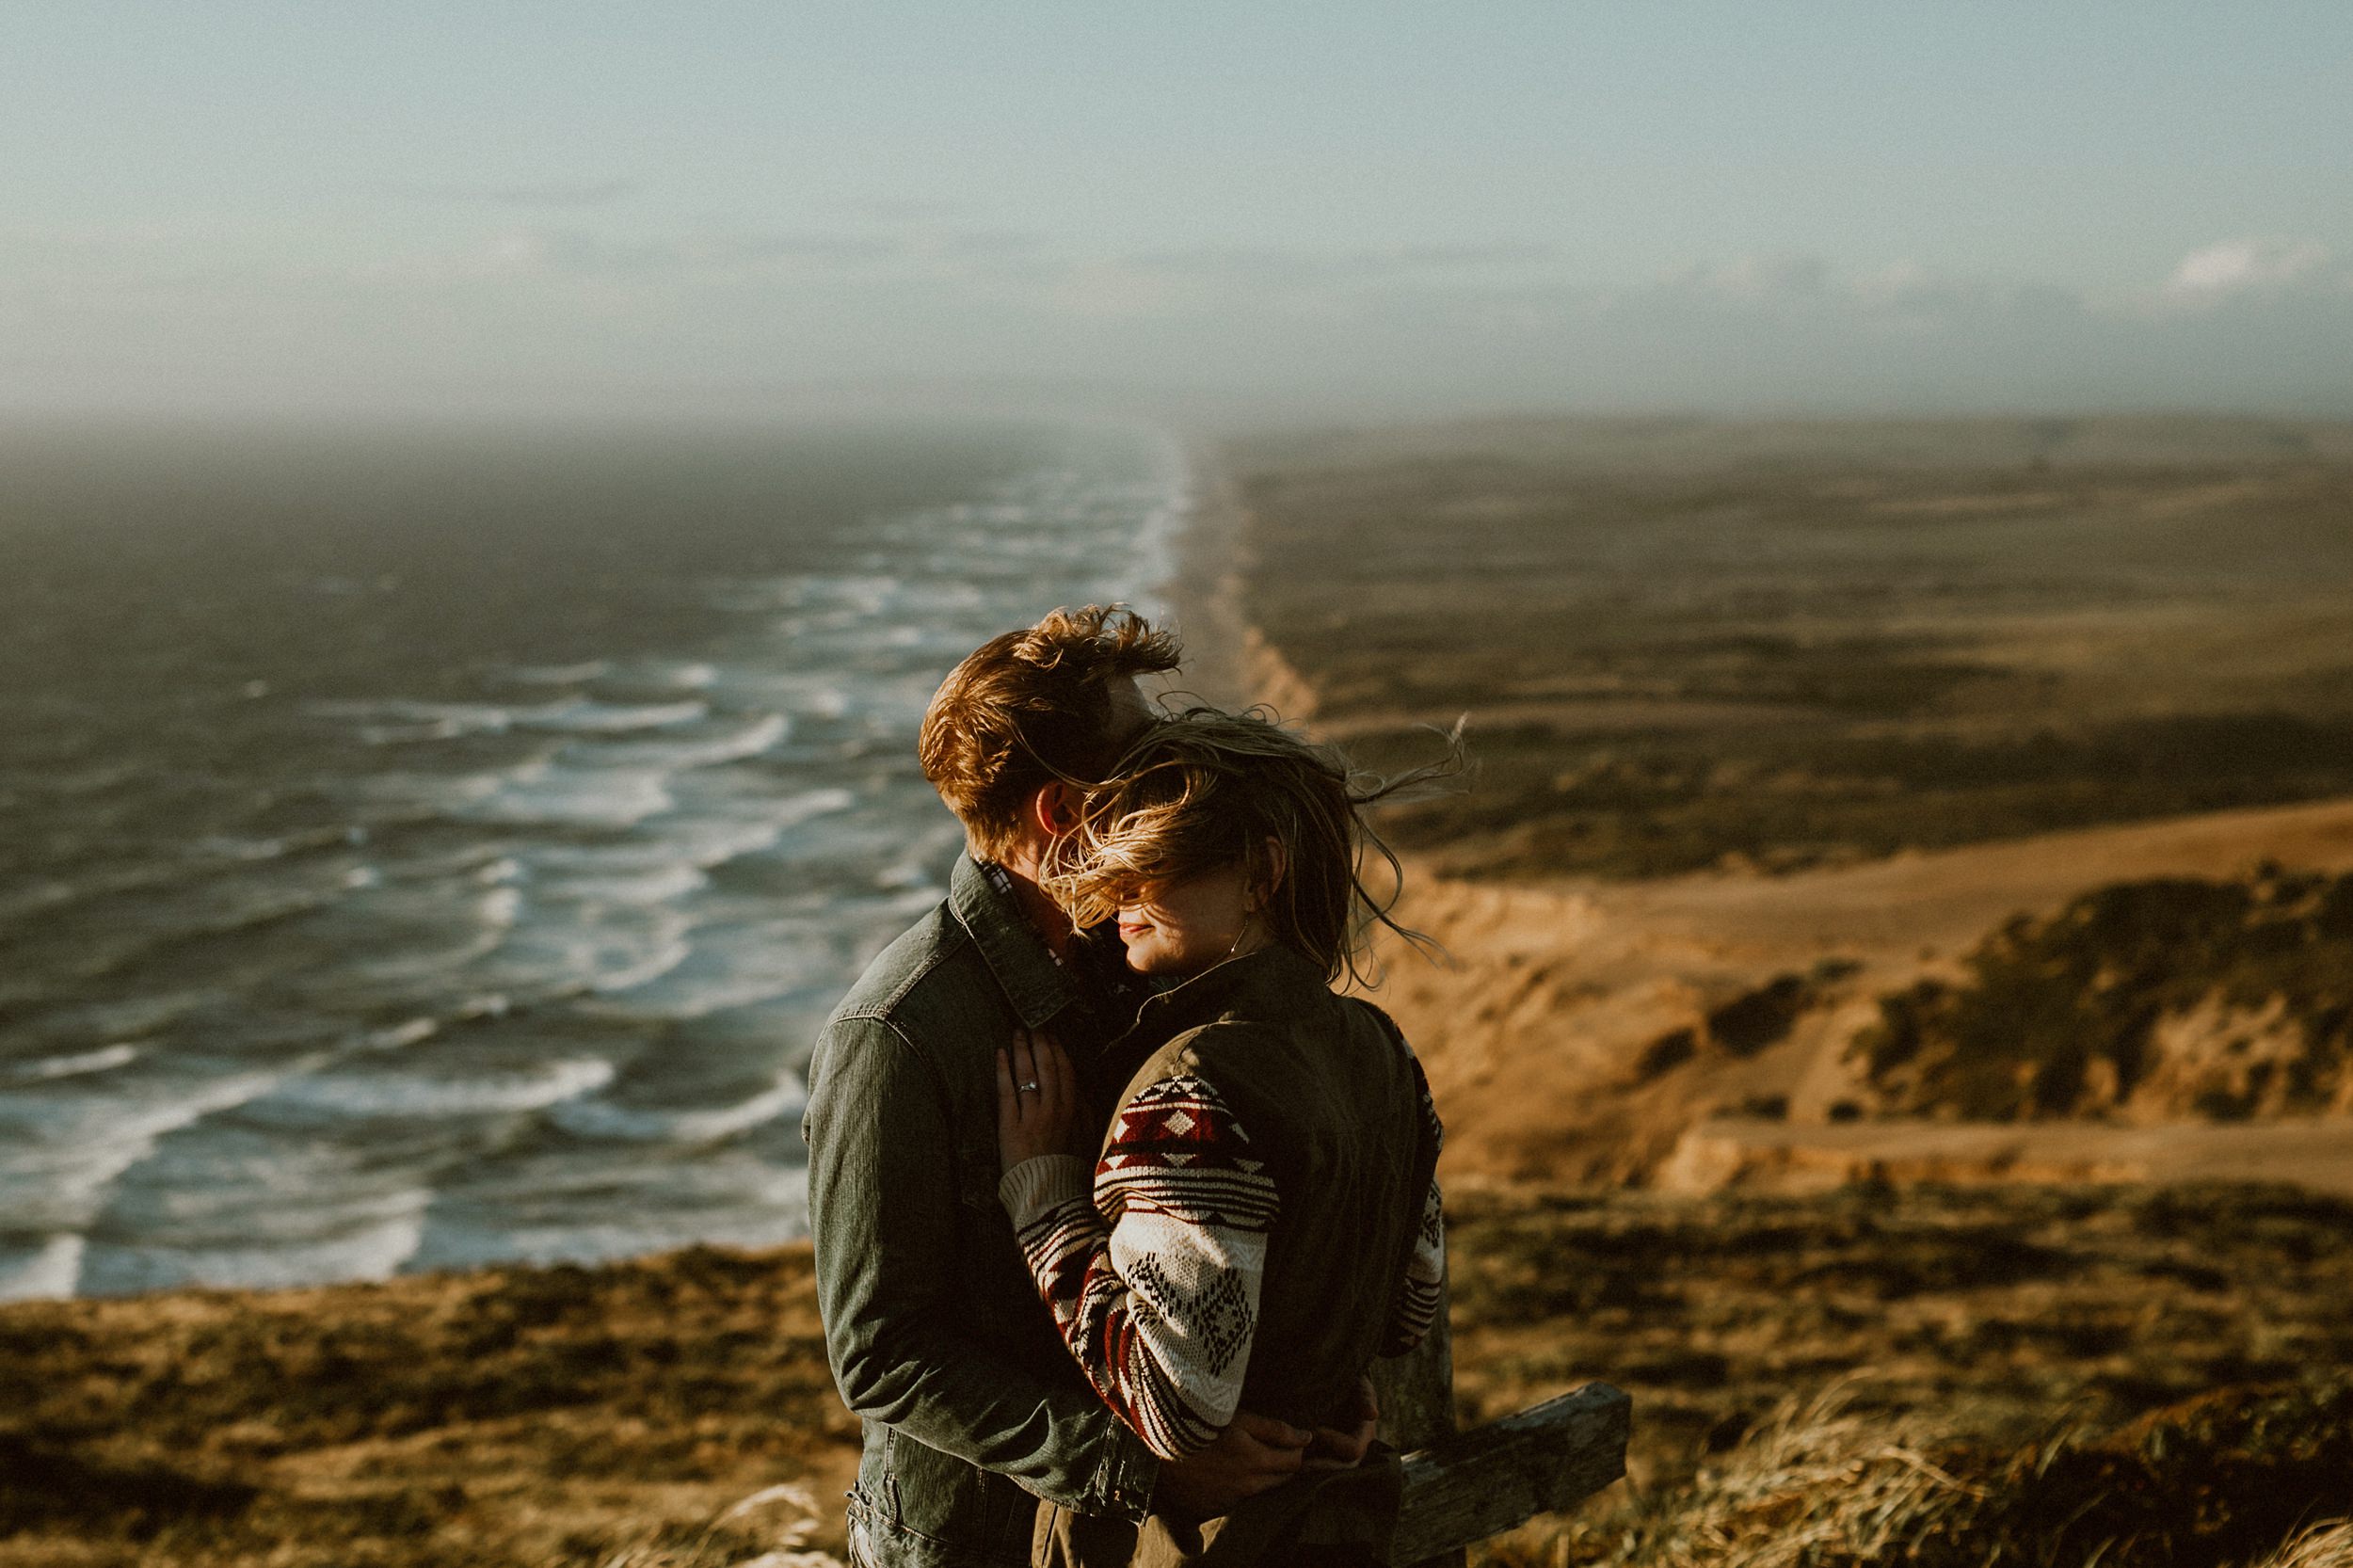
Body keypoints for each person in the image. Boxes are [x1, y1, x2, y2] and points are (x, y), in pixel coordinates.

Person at [803, 609, 1373, 1568]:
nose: (1176, 768)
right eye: (1143, 757)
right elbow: (881, 1355)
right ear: (1063, 813)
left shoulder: (1150, 956)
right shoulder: (898, 1035)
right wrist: (1138, 1465)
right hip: (974, 1545)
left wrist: (1314, 1386)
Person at [996, 709, 1449, 1568]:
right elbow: (1407, 1312)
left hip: (1217, 1545)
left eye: (1152, 863)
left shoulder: (1191, 1090)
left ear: (1262, 875)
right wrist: (1318, 1376)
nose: (1118, 893)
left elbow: (1176, 1409)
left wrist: (1044, 1200)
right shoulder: (1385, 1051)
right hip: (1346, 1527)